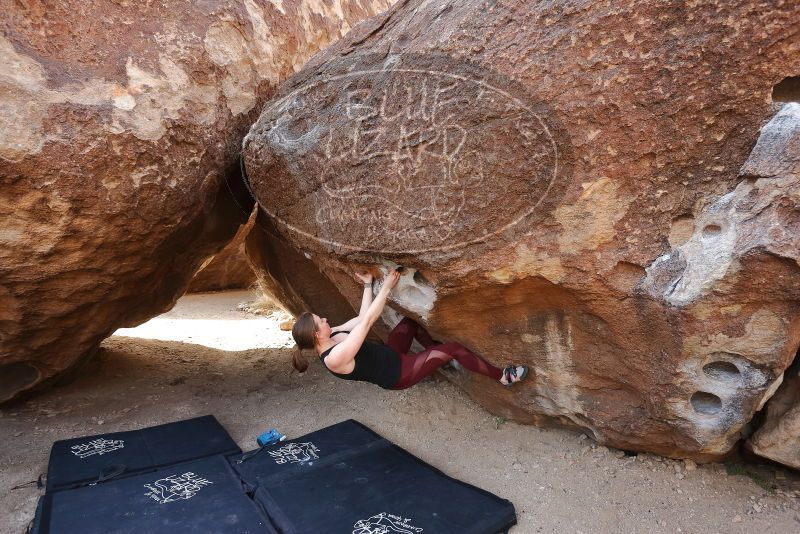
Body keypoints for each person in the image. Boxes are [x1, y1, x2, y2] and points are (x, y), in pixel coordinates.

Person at [290, 269, 528, 390]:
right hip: (399, 374)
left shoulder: (331, 335)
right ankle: (503, 377)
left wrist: (368, 284)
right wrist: (386, 288)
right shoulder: (334, 359)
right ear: (316, 335)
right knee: (454, 348)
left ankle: (437, 356)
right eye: (319, 321)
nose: (324, 318)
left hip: (391, 354)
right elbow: (367, 322)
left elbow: (361, 316)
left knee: (410, 322)